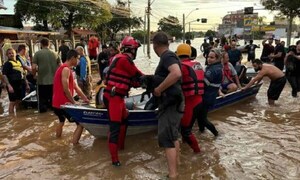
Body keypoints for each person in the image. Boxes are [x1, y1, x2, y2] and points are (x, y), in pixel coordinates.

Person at [103, 36, 144, 166]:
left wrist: (139, 82)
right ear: (132, 50)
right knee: (114, 129)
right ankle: (115, 162)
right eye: (135, 49)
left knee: (124, 119)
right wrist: (153, 80)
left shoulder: (117, 58)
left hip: (115, 96)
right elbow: (139, 76)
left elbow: (133, 80)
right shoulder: (125, 60)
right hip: (114, 97)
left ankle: (121, 148)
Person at [152, 32, 184, 179]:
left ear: (155, 44)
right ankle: (177, 166)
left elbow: (176, 73)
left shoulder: (166, 56)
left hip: (171, 103)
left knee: (167, 138)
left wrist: (159, 89)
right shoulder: (170, 55)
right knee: (173, 135)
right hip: (175, 101)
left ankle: (173, 175)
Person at [52, 49, 89, 144]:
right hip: (64, 104)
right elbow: (66, 89)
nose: (79, 61)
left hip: (56, 103)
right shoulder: (66, 69)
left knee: (61, 121)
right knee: (81, 124)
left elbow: (75, 87)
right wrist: (73, 102)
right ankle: (75, 146)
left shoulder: (64, 68)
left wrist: (85, 98)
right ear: (72, 58)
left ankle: (57, 141)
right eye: (78, 58)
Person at [176, 43, 204, 153]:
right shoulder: (197, 64)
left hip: (190, 103)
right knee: (186, 128)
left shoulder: (181, 66)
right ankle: (185, 148)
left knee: (186, 131)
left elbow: (173, 79)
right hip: (199, 100)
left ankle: (198, 153)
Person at [32, 37, 61, 113]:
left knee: (42, 104)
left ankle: (43, 118)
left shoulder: (37, 54)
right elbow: (60, 66)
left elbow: (34, 67)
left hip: (42, 81)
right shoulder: (55, 53)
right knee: (53, 103)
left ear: (41, 44)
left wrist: (34, 75)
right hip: (54, 82)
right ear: (49, 44)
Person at [197, 48, 221, 137]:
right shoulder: (215, 67)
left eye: (212, 57)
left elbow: (205, 83)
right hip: (209, 96)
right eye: (208, 57)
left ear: (217, 58)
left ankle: (216, 134)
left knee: (202, 118)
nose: (209, 59)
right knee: (200, 117)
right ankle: (201, 133)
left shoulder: (213, 69)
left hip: (207, 97)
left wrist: (199, 74)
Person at [2, 48, 30, 114]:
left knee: (19, 101)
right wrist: (9, 86)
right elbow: (4, 75)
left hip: (20, 84)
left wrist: (27, 84)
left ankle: (18, 117)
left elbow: (23, 74)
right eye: (9, 53)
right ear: (7, 55)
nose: (11, 54)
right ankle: (11, 117)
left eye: (12, 53)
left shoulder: (19, 62)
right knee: (12, 102)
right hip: (12, 85)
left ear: (15, 53)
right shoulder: (7, 64)